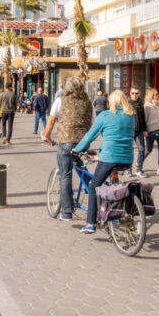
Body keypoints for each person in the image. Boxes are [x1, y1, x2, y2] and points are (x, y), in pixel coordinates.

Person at [74, 90, 135, 234]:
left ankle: (90, 223)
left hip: (109, 158)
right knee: (114, 184)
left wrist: (77, 149)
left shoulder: (105, 115)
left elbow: (90, 135)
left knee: (95, 185)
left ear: (111, 102)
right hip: (127, 159)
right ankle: (120, 211)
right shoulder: (131, 116)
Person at [44, 77, 92, 221]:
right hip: (82, 142)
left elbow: (52, 120)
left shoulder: (60, 100)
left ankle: (67, 212)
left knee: (65, 175)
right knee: (79, 165)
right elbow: (93, 121)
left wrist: (46, 136)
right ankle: (93, 189)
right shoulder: (88, 102)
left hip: (66, 141)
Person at [138, 88, 159, 177]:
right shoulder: (146, 106)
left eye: (158, 94)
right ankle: (139, 163)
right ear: (150, 96)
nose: (158, 96)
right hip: (151, 131)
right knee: (149, 149)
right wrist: (145, 131)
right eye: (155, 94)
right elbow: (144, 120)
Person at [128, 87, 147, 177]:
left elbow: (143, 117)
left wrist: (145, 129)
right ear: (130, 93)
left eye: (136, 93)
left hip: (139, 130)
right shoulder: (126, 102)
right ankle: (128, 169)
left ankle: (139, 170)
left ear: (139, 94)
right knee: (129, 150)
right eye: (133, 93)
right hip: (129, 130)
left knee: (142, 149)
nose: (134, 95)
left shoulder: (140, 102)